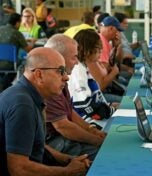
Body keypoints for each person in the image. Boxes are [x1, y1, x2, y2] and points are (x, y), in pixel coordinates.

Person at [0, 47, 89, 175]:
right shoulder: (23, 105)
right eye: (60, 71)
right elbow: (19, 169)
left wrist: (68, 160)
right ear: (39, 74)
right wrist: (66, 172)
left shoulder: (25, 94)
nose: (66, 77)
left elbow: (35, 145)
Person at [44, 34, 106, 161]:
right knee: (105, 154)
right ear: (59, 58)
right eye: (74, 57)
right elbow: (63, 127)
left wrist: (91, 130)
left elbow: (70, 112)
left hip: (61, 137)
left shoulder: (61, 77)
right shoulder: (49, 84)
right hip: (53, 142)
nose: (77, 62)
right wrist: (97, 141)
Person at [69, 29, 117, 126]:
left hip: (100, 117)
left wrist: (109, 106)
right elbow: (87, 105)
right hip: (91, 124)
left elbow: (96, 98)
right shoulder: (78, 71)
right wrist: (112, 110)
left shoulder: (83, 67)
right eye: (98, 48)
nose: (101, 51)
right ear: (87, 49)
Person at [0, 13, 33, 91]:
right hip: (10, 64)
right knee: (23, 62)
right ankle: (7, 85)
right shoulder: (17, 33)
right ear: (17, 23)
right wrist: (32, 43)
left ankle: (4, 85)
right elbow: (28, 49)